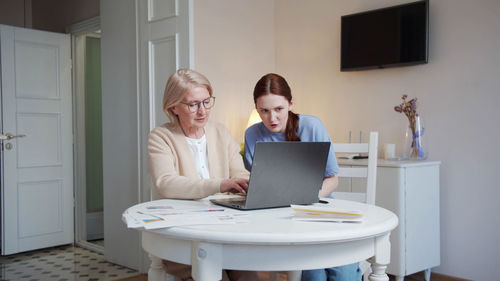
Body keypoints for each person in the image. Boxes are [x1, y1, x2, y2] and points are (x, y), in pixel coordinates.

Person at [244, 73, 362, 281]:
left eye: (279, 109)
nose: (272, 118)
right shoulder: (252, 134)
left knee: (343, 272)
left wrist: (307, 199)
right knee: (314, 274)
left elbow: (333, 179)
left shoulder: (311, 126)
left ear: (290, 104)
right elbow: (258, 187)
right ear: (257, 109)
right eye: (264, 111)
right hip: (280, 220)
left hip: (320, 212)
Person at [148, 69, 262, 281]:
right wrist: (220, 184)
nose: (203, 111)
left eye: (207, 102)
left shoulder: (220, 131)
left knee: (250, 278)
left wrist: (254, 183)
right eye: (193, 104)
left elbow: (239, 173)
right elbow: (166, 183)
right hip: (184, 234)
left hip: (225, 229)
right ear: (173, 107)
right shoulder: (161, 137)